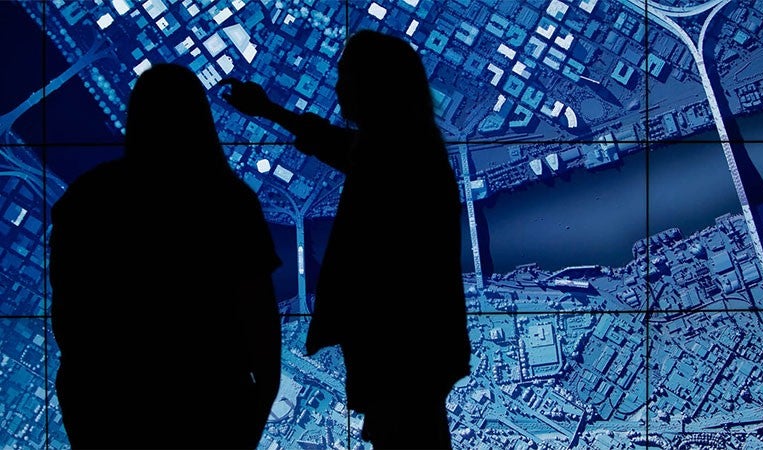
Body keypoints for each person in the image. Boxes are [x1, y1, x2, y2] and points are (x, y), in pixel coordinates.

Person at [221, 29, 471, 449]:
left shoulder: (396, 158)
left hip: (400, 355)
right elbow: (338, 145)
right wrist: (268, 110)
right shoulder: (406, 150)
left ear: (372, 87)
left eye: (345, 77)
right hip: (412, 355)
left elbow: (342, 149)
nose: (336, 87)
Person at [49, 63, 282, 449]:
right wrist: (255, 406)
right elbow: (259, 319)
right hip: (210, 409)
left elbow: (69, 314)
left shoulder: (88, 198)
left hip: (108, 413)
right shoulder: (229, 201)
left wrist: (87, 400)